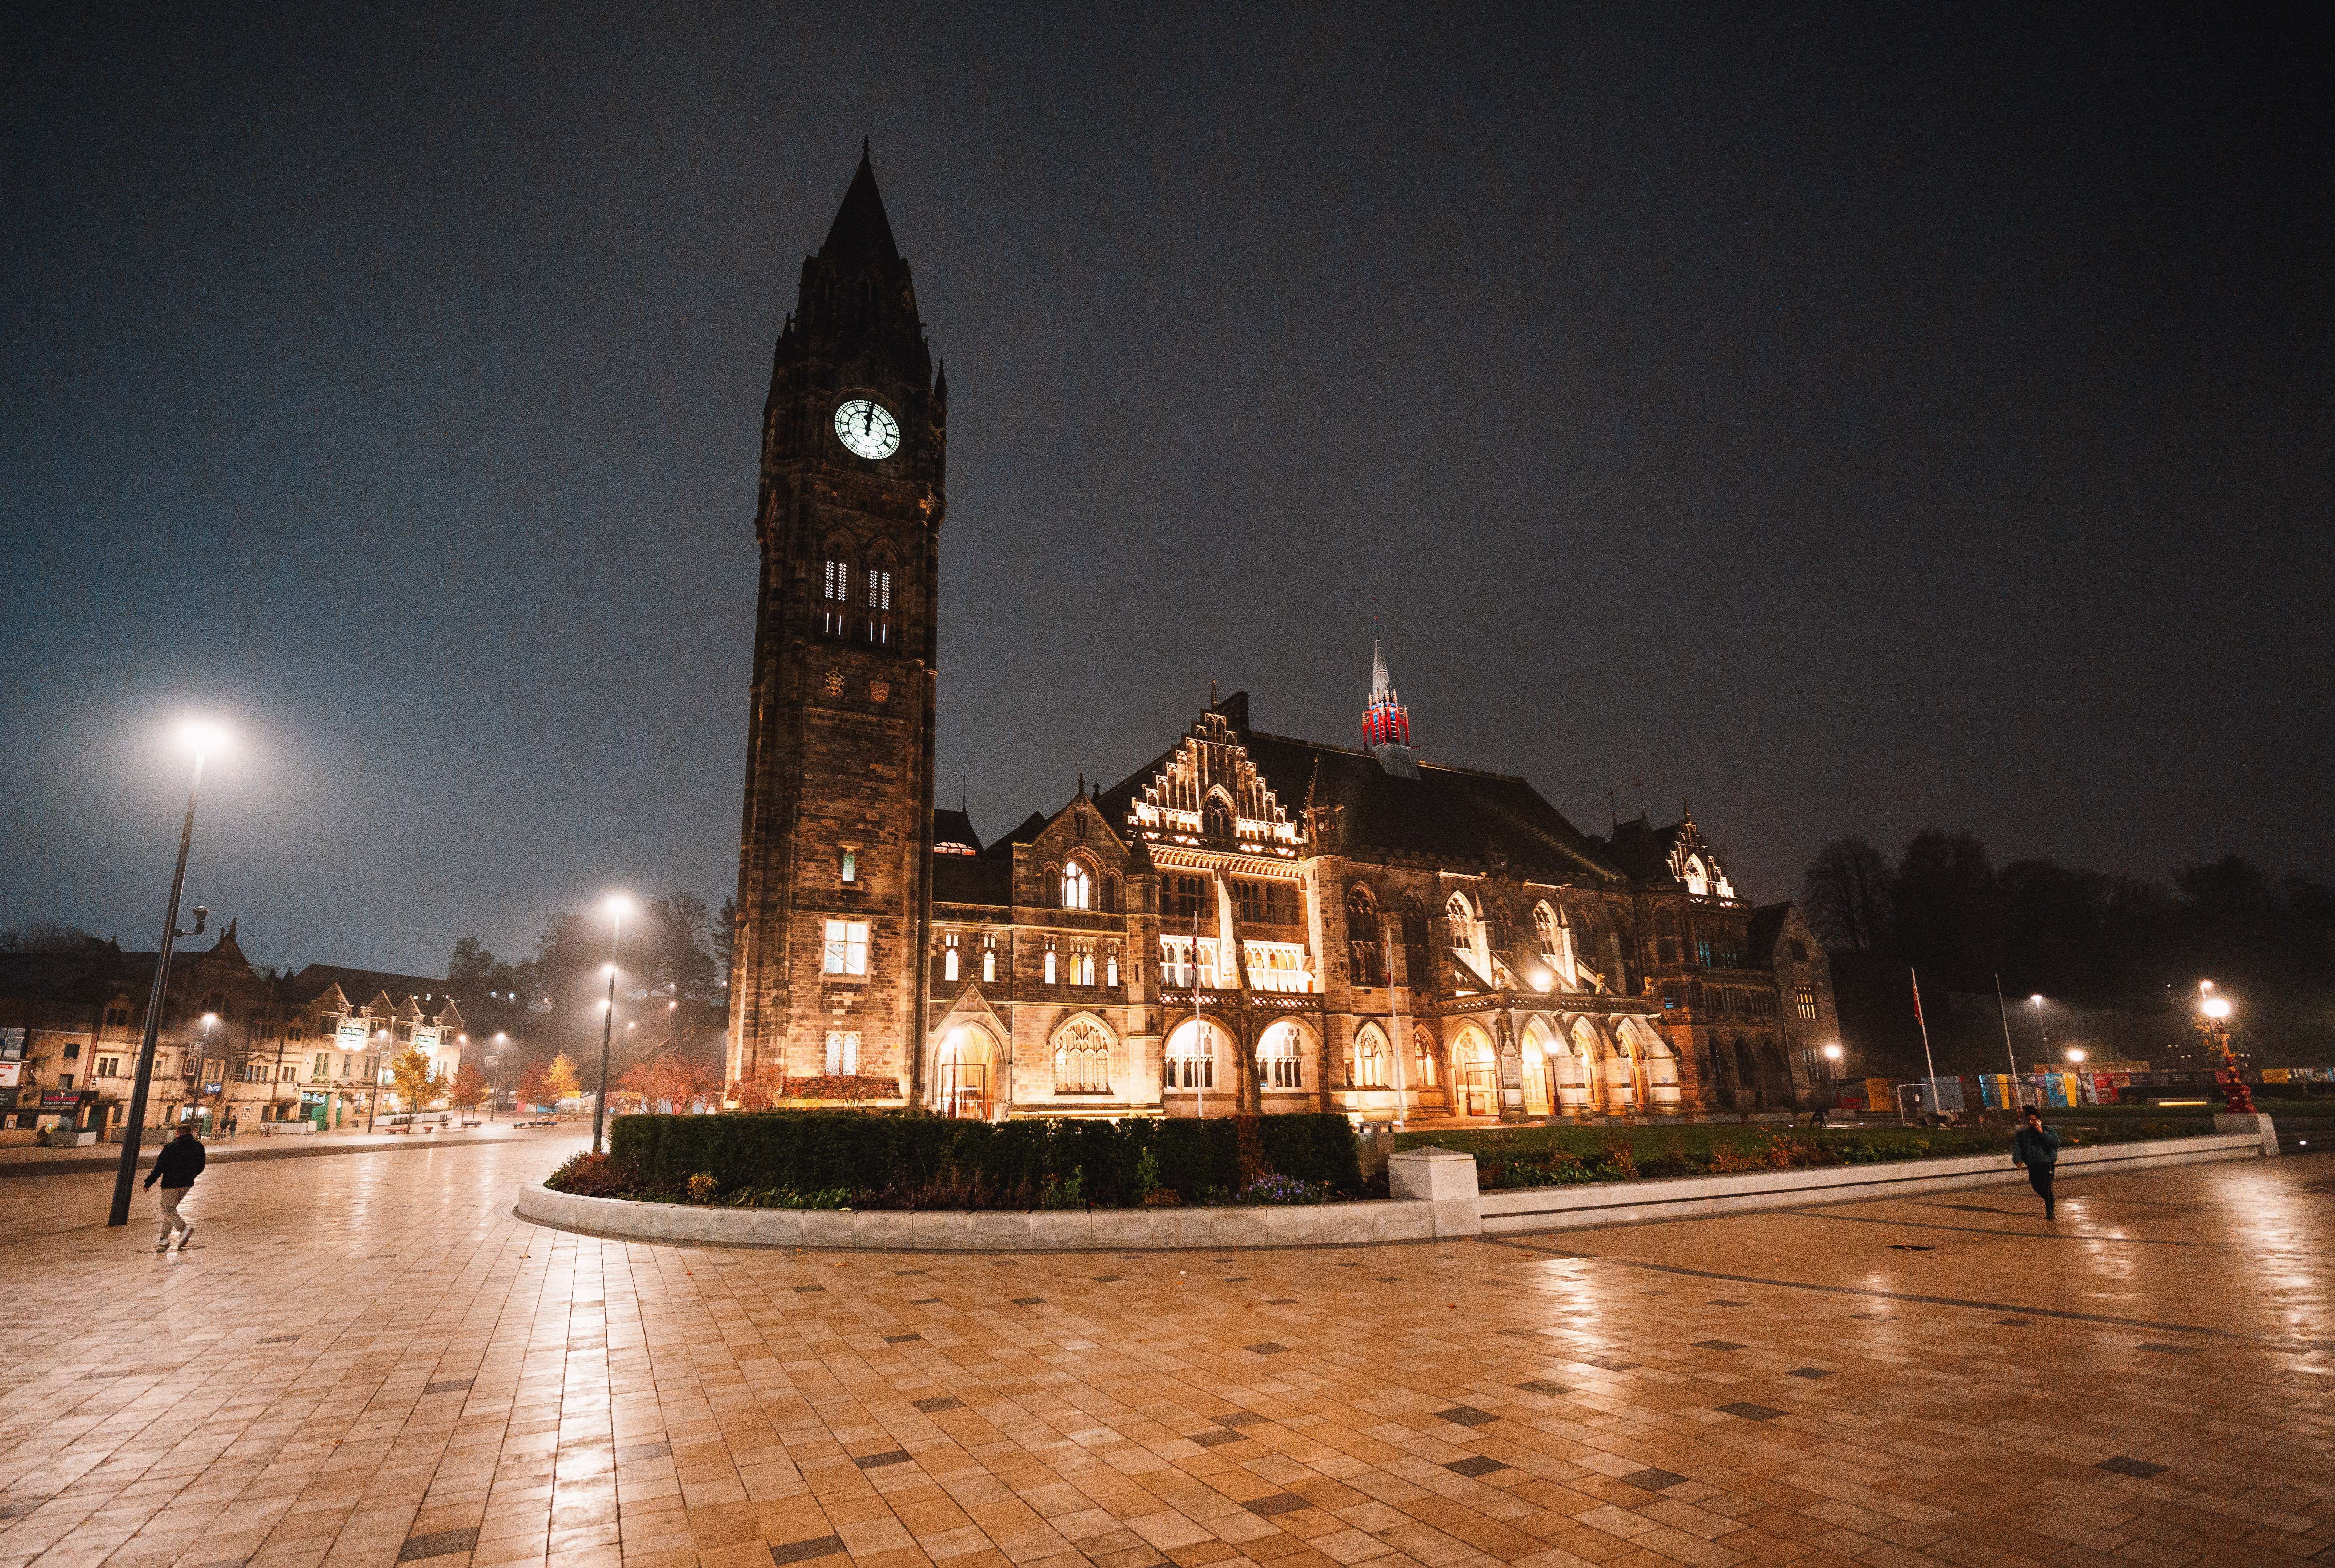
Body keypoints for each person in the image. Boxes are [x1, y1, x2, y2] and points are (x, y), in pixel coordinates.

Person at [144, 1120, 207, 1251]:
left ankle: (184, 1229)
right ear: (191, 1133)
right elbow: (201, 1167)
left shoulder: (171, 1147)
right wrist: (192, 1176)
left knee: (167, 1209)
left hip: (171, 1183)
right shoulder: (199, 1146)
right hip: (187, 1184)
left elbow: (160, 1167)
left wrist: (149, 1182)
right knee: (171, 1209)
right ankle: (164, 1238)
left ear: (178, 1133)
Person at [2013, 1107, 2060, 1219]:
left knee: (2047, 1187)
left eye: (2033, 1120)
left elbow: (2055, 1143)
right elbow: (2018, 1147)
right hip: (2033, 1164)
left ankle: (2050, 1210)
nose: (2030, 1122)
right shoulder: (2024, 1133)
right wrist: (2018, 1160)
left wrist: (2042, 1132)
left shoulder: (2048, 1130)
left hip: (2047, 1163)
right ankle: (2050, 1199)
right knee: (2035, 1185)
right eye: (2029, 1120)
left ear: (2038, 1119)